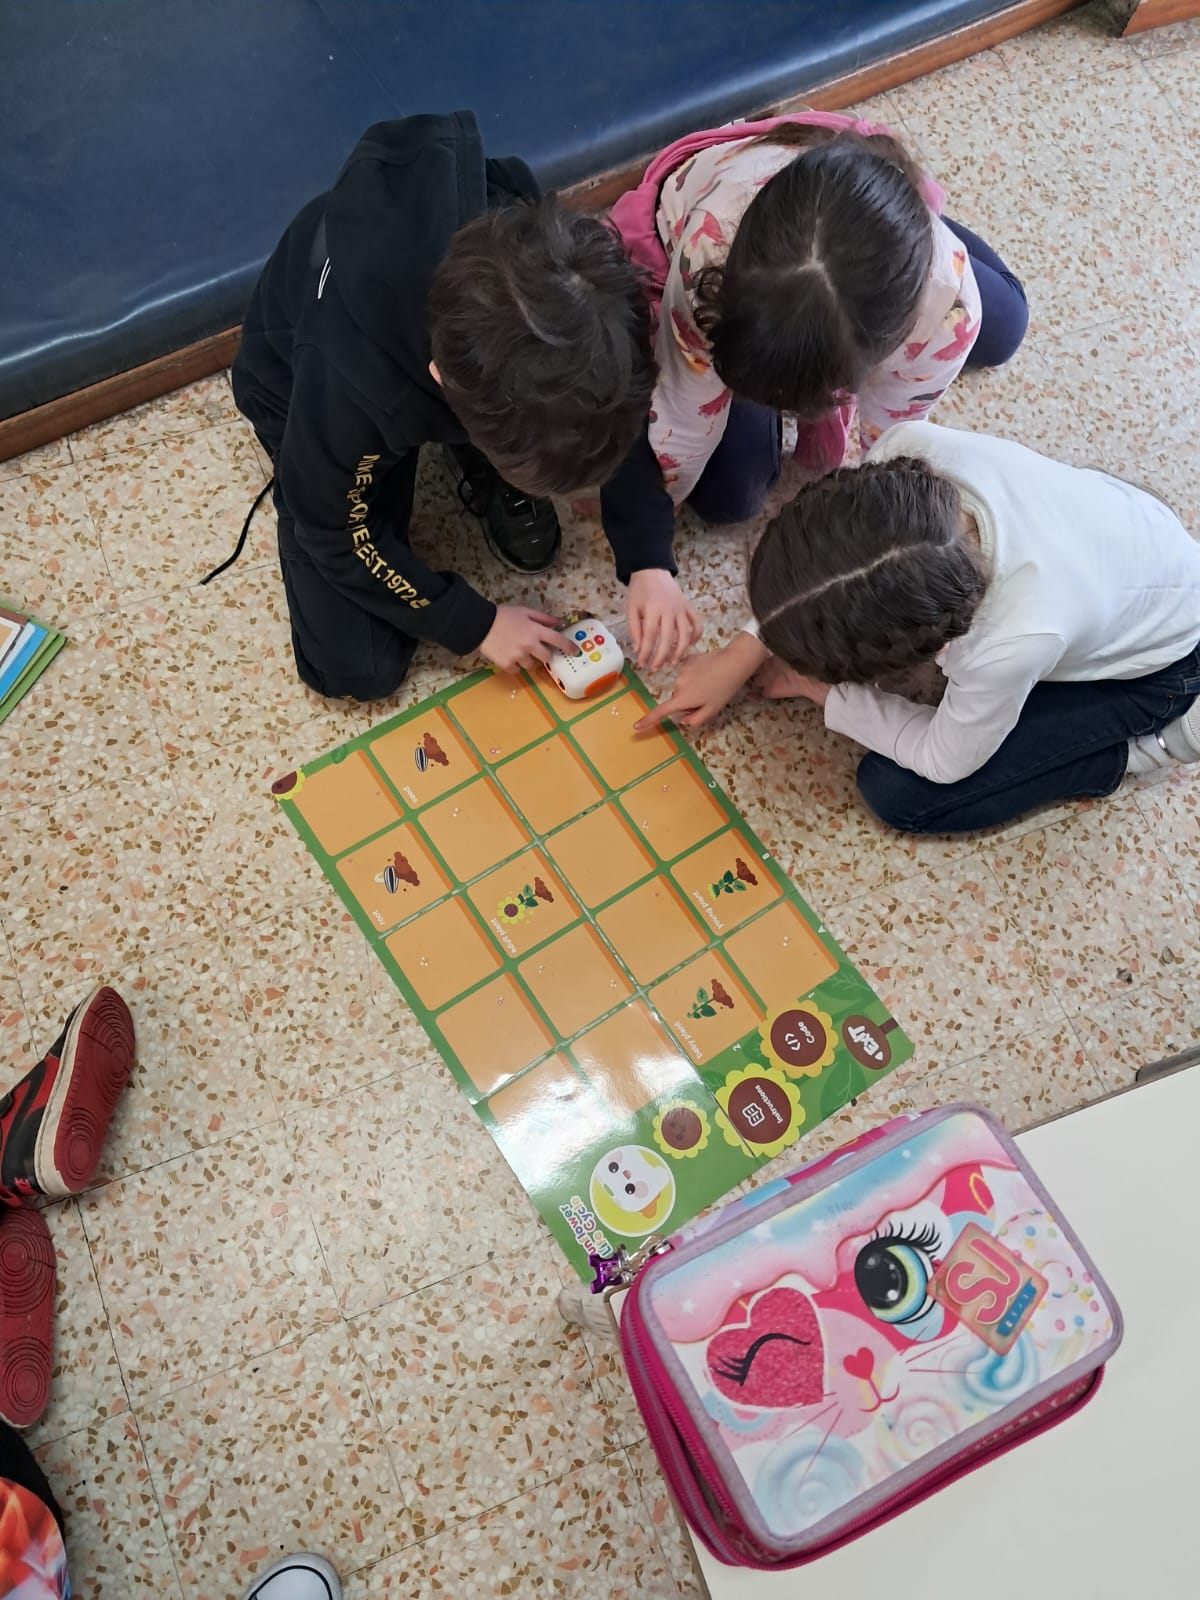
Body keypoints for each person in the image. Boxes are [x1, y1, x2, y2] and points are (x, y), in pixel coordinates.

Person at [230, 112, 664, 699]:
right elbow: (330, 525)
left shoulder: (561, 265)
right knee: (358, 668)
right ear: (443, 384)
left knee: (567, 427)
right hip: (299, 384)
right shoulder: (354, 379)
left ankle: (494, 454)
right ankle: (469, 454)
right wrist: (474, 623)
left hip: (442, 367)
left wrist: (648, 555)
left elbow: (614, 404)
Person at [600, 113, 1027, 653]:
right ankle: (886, 211)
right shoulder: (709, 248)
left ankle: (899, 215)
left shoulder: (949, 315)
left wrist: (825, 590)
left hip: (883, 269)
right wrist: (650, 546)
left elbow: (889, 453)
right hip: (725, 215)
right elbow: (684, 410)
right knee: (731, 496)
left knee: (1006, 327)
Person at [642, 421, 1200, 834]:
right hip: (1123, 541)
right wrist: (740, 651)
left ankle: (1152, 746)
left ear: (913, 649)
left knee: (901, 794)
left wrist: (821, 690)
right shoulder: (907, 455)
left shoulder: (1010, 642)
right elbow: (826, 570)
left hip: (1162, 667)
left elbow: (944, 759)